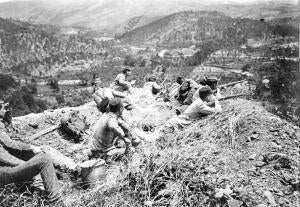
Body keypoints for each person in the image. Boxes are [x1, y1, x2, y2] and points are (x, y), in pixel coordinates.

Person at [0, 131, 63, 205]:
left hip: (5, 171)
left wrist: (30, 148)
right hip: (4, 174)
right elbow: (6, 158)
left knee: (41, 154)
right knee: (44, 159)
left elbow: (10, 144)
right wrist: (28, 165)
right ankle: (56, 202)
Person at [89, 98, 140, 164]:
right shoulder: (111, 120)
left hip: (95, 149)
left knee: (121, 143)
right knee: (132, 150)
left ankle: (113, 160)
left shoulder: (107, 115)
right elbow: (112, 126)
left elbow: (121, 122)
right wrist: (124, 138)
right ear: (121, 109)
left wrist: (129, 130)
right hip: (102, 153)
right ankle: (119, 165)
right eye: (123, 108)